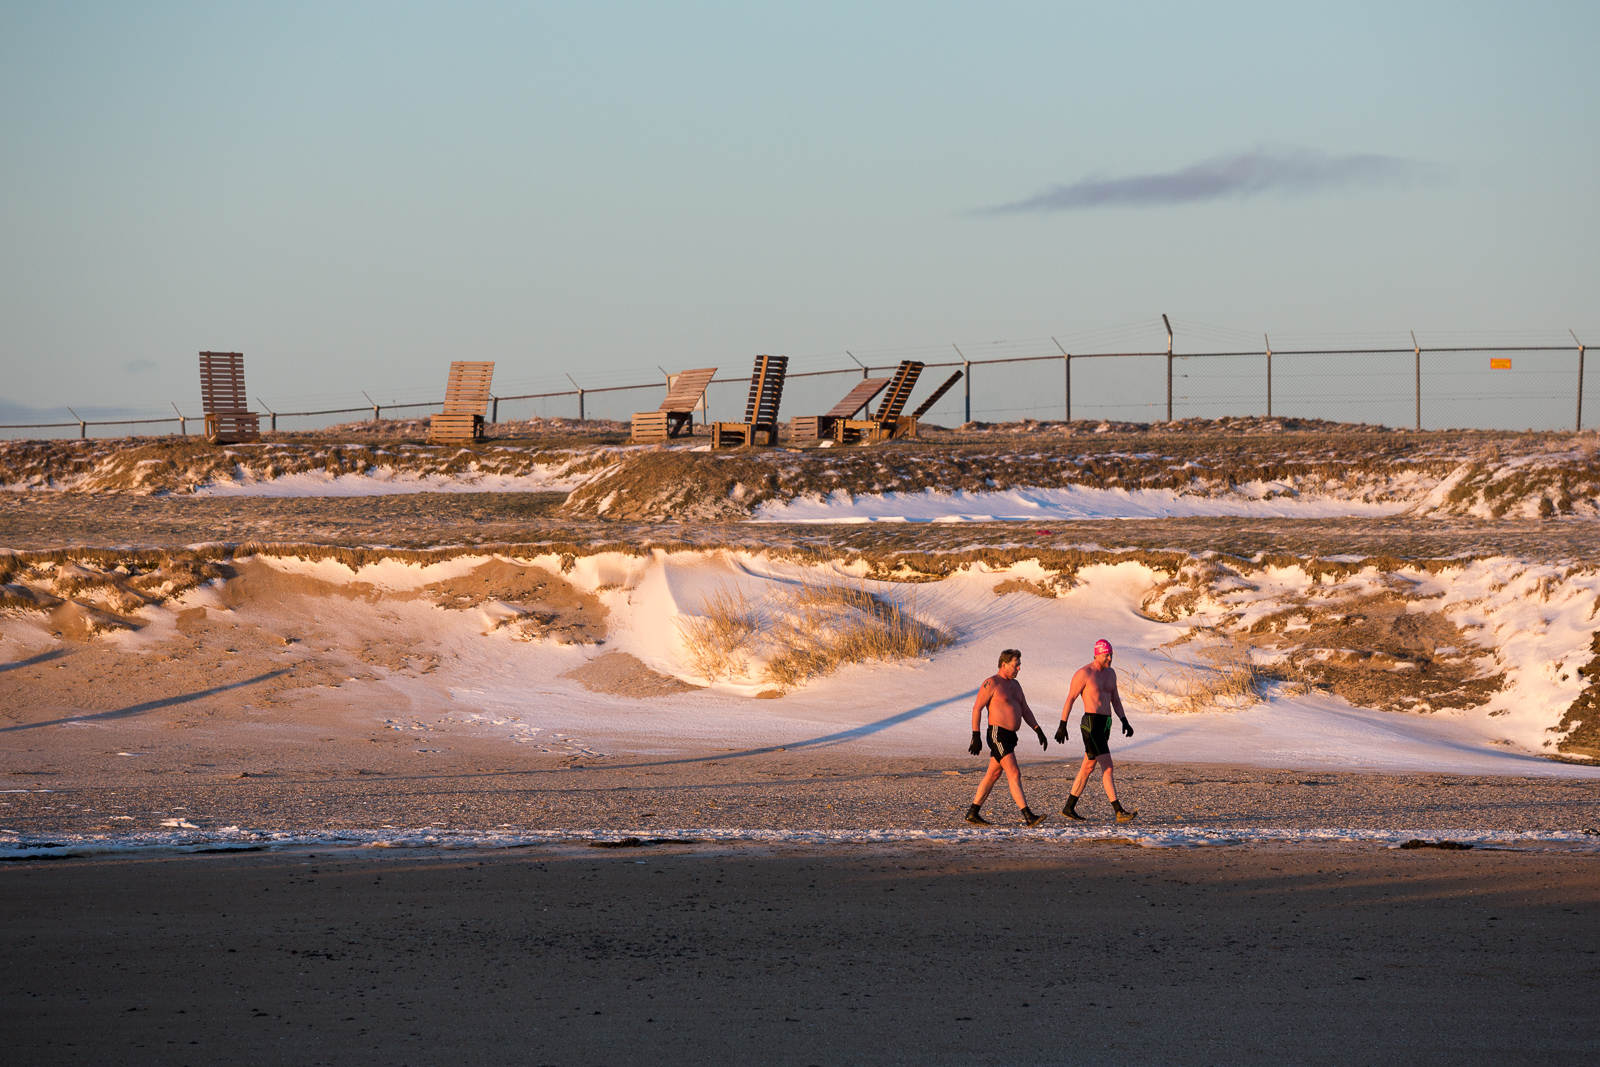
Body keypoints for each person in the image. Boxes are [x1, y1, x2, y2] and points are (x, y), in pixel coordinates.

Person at [1054, 638, 1139, 823]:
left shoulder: (1111, 674)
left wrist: (1124, 721)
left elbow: (1115, 700)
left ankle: (1069, 807)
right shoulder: (1084, 673)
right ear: (1097, 654)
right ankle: (1119, 811)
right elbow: (1070, 699)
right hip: (1091, 724)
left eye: (1111, 655)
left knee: (1087, 767)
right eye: (1106, 655)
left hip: (1106, 724)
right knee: (1107, 767)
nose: (1110, 658)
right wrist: (1062, 724)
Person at [965, 648, 1049, 827]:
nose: (1018, 669)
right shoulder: (991, 683)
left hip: (1011, 736)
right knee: (1014, 773)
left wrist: (1038, 729)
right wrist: (976, 735)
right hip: (997, 735)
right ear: (1004, 665)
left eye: (1019, 665)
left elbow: (1025, 710)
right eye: (1015, 665)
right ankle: (1028, 816)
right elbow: (977, 708)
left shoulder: (1016, 686)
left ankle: (973, 812)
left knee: (993, 774)